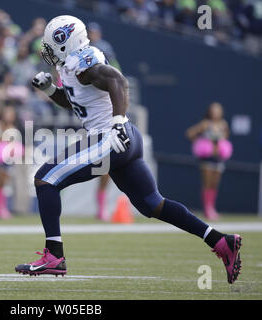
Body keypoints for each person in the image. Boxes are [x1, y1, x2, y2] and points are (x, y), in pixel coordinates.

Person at [15, 15, 242, 284]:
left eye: (52, 44)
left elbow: (118, 81)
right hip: (124, 139)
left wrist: (118, 122)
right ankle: (220, 241)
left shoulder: (83, 61)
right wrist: (51, 89)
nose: (48, 51)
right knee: (153, 205)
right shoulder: (71, 66)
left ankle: (54, 256)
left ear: (67, 41)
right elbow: (76, 102)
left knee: (46, 178)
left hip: (111, 137)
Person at [186, 102, 232, 221]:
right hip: (207, 159)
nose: (216, 112)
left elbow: (226, 138)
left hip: (218, 158)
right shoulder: (206, 124)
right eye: (214, 110)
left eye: (218, 110)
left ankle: (212, 208)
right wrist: (200, 143)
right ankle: (207, 210)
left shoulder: (223, 124)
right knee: (207, 183)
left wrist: (221, 146)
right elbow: (190, 133)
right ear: (210, 111)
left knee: (214, 184)